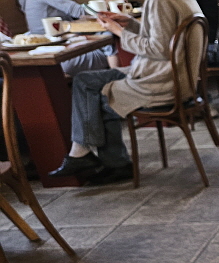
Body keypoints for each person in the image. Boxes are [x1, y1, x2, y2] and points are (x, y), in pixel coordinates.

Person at [49, 0, 203, 184]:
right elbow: (164, 36)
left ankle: (114, 163)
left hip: (162, 81)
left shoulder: (159, 2)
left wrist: (119, 32)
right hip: (176, 77)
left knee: (101, 98)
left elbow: (158, 49)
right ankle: (82, 153)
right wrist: (130, 23)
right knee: (84, 81)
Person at [19, 0, 113, 75]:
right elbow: (80, 12)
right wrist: (107, 5)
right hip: (62, 60)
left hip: (45, 54)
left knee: (105, 36)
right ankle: (116, 75)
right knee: (110, 37)